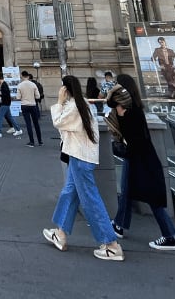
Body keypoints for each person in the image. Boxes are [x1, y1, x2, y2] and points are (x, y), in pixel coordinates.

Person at [42, 75, 123, 262]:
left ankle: (111, 245)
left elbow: (58, 122)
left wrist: (59, 102)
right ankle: (60, 233)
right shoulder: (83, 104)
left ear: (65, 89)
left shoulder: (74, 107)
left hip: (79, 157)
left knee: (90, 199)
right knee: (69, 193)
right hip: (79, 156)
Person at [106, 75, 175, 251]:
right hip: (137, 156)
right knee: (127, 191)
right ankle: (119, 225)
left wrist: (124, 148)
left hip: (140, 158)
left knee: (152, 196)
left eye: (117, 85)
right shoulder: (131, 108)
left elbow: (135, 138)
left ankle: (170, 236)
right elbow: (110, 104)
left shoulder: (130, 112)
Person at [0, 74, 23, 138]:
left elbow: (5, 95)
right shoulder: (3, 85)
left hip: (4, 104)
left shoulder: (4, 85)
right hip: (6, 104)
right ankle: (18, 129)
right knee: (10, 117)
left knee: (0, 117)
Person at [17, 71, 42, 147]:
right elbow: (38, 96)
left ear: (22, 76)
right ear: (28, 76)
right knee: (36, 123)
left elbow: (18, 97)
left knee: (28, 124)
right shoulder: (33, 84)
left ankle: (32, 142)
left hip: (24, 105)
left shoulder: (20, 85)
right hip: (33, 105)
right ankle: (40, 141)